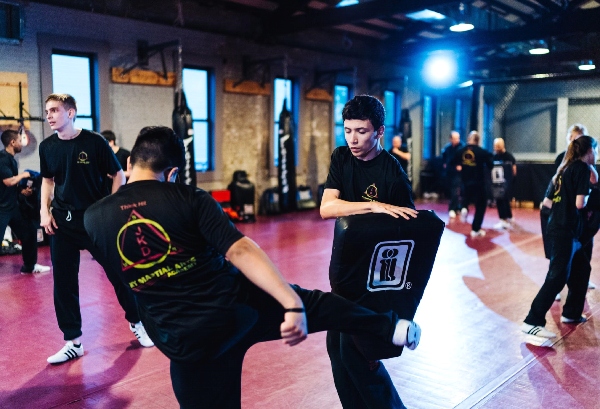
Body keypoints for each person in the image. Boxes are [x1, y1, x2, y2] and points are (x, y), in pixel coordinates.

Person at [83, 126, 419, 409]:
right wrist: (290, 303)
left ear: (128, 163)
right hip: (234, 311)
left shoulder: (94, 218)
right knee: (318, 303)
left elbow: (123, 278)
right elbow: (240, 249)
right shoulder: (189, 198)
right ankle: (390, 326)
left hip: (183, 340)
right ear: (172, 172)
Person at [39, 93, 153, 365]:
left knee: (119, 273)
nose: (50, 116)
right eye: (47, 112)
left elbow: (119, 175)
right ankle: (73, 342)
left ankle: (138, 323)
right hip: (62, 222)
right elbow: (47, 181)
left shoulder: (94, 142)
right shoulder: (47, 146)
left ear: (71, 113)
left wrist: (110, 209)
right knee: (64, 283)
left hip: (94, 221)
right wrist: (44, 211)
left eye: (55, 110)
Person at [320, 95, 419, 409]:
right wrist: (372, 206)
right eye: (348, 130)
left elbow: (411, 236)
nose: (352, 138)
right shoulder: (341, 157)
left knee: (358, 353)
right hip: (344, 269)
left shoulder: (392, 174)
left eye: (361, 131)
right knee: (336, 349)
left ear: (379, 131)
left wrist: (396, 297)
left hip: (373, 277)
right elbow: (327, 207)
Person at [522, 135, 598, 339]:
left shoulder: (564, 169)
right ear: (589, 151)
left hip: (565, 229)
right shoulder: (580, 168)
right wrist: (593, 192)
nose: (597, 155)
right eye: (595, 151)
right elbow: (580, 204)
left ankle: (571, 313)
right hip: (564, 230)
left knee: (581, 269)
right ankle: (533, 320)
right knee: (558, 276)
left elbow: (548, 203)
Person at [0, 129, 50, 274]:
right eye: (20, 141)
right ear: (12, 142)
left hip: (12, 206)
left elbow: (8, 186)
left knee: (29, 232)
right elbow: (8, 181)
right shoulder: (2, 159)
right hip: (2, 209)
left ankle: (30, 266)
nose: (22, 144)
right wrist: (25, 174)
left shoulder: (11, 159)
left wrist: (21, 192)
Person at [453, 131, 493, 237]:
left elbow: (453, 162)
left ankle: (464, 208)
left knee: (466, 197)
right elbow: (491, 165)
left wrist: (462, 166)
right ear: (478, 140)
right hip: (479, 183)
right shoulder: (482, 152)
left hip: (465, 181)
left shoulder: (460, 151)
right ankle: (475, 229)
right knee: (480, 205)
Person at [492, 138, 517, 230]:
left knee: (504, 200)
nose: (496, 147)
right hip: (497, 183)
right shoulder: (494, 157)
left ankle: (506, 218)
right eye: (495, 146)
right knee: (500, 200)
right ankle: (506, 218)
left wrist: (510, 181)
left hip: (506, 183)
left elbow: (514, 170)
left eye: (498, 145)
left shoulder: (509, 157)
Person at [441, 131, 465, 218]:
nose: (456, 140)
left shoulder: (462, 147)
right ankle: (457, 207)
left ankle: (453, 208)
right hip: (449, 172)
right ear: (450, 139)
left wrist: (461, 166)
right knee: (452, 190)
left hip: (459, 173)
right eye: (454, 138)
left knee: (456, 190)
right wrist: (445, 164)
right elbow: (444, 158)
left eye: (458, 138)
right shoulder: (447, 148)